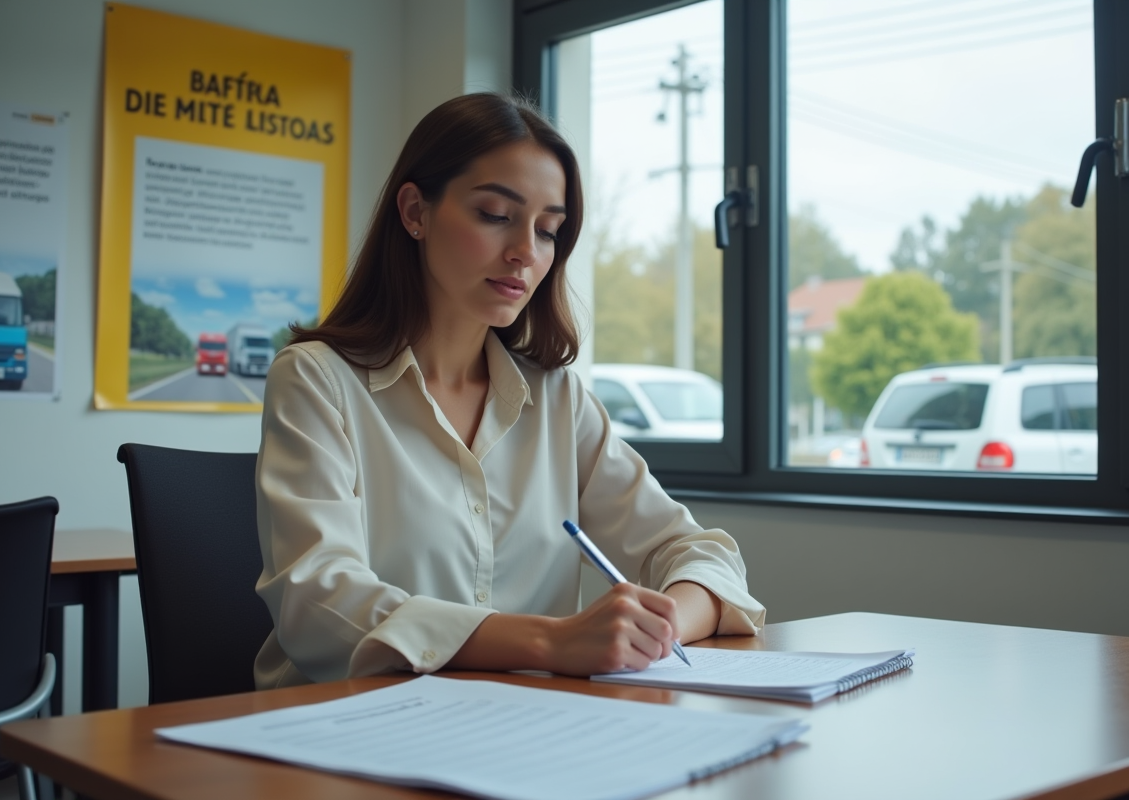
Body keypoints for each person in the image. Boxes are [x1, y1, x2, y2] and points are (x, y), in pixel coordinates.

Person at [253, 93, 765, 690]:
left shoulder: (556, 400)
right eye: (496, 214)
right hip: (341, 731)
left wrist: (657, 625)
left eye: (549, 230)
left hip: (525, 731)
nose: (526, 250)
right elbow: (316, 601)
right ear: (415, 211)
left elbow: (700, 552)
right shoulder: (316, 379)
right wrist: (552, 641)